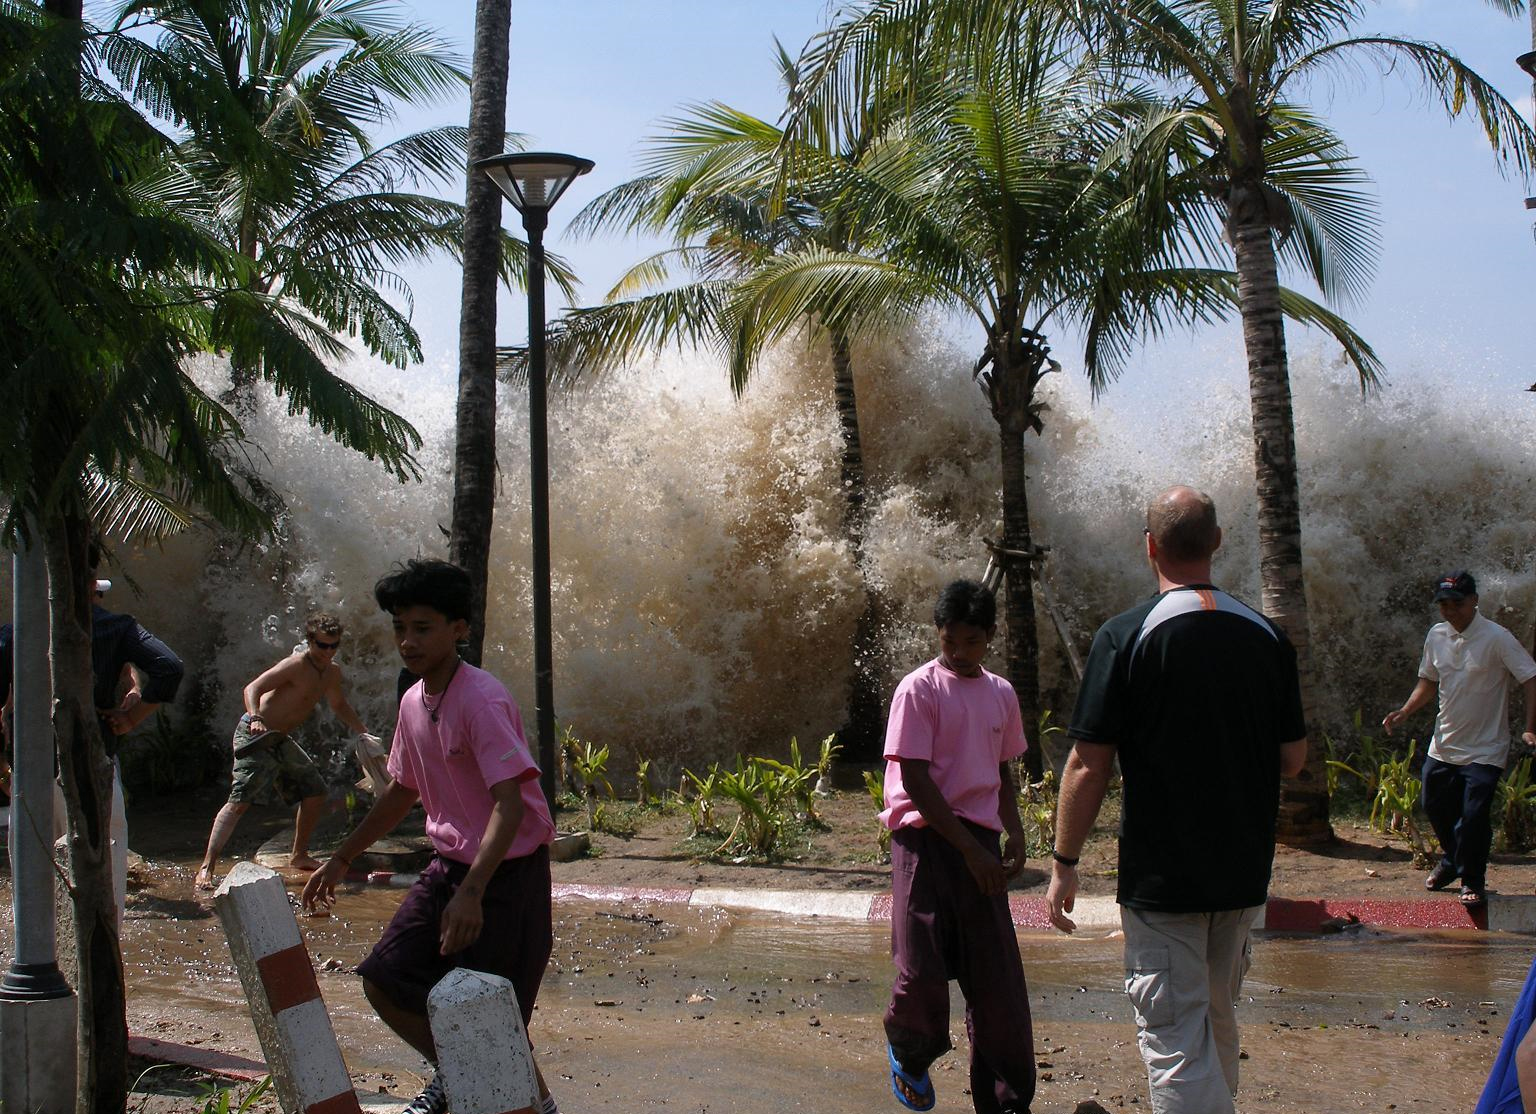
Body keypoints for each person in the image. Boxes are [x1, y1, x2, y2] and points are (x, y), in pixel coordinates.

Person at [1047, 486, 1307, 1114]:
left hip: (1165, 878)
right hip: (1241, 875)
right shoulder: (1267, 637)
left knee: (1174, 1036)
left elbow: (1087, 764)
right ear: (1218, 542)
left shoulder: (1126, 636)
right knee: (1216, 1018)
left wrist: (1064, 862)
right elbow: (1294, 759)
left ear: (1150, 547)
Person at [302, 560, 559, 1114]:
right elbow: (401, 791)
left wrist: (473, 893)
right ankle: (456, 1073)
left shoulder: (481, 699)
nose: (407, 641)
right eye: (400, 628)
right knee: (385, 981)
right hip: (448, 870)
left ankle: (537, 1106)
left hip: (505, 875)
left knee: (494, 1017)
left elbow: (509, 807)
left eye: (422, 628)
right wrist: (341, 857)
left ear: (458, 629)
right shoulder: (413, 701)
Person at [879, 578, 1034, 1114]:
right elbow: (917, 780)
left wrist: (1012, 831)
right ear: (938, 635)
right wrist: (970, 851)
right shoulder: (917, 690)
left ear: (989, 637)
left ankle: (1006, 1099)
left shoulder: (1001, 693)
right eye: (950, 641)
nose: (960, 652)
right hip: (924, 841)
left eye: (971, 642)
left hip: (981, 841)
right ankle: (910, 1053)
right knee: (919, 968)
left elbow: (1002, 770)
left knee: (997, 982)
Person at [0, 563, 184, 923]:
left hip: (32, 765)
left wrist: (2, 766)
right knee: (104, 866)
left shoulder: (15, 634)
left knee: (36, 872)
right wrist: (132, 718)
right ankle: (101, 954)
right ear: (88, 587)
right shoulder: (116, 628)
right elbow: (169, 666)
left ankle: (39, 956)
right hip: (93, 763)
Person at [1382, 570, 1536, 909]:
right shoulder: (1437, 635)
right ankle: (1453, 861)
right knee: (1433, 805)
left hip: (1486, 747)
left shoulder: (1498, 638)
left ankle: (1472, 881)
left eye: (1457, 603)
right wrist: (1406, 711)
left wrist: (1530, 726)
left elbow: (1530, 677)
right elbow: (1427, 679)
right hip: (1445, 743)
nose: (1449, 611)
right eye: (1443, 605)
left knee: (1474, 815)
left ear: (1474, 601)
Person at [195, 612, 374, 890]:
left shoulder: (332, 672)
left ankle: (299, 855)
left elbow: (338, 705)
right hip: (255, 735)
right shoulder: (295, 665)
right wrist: (255, 717)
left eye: (333, 646)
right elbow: (253, 687)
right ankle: (206, 867)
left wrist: (362, 730)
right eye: (322, 645)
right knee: (240, 801)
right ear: (310, 641)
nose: (328, 652)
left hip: (280, 739)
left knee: (315, 792)